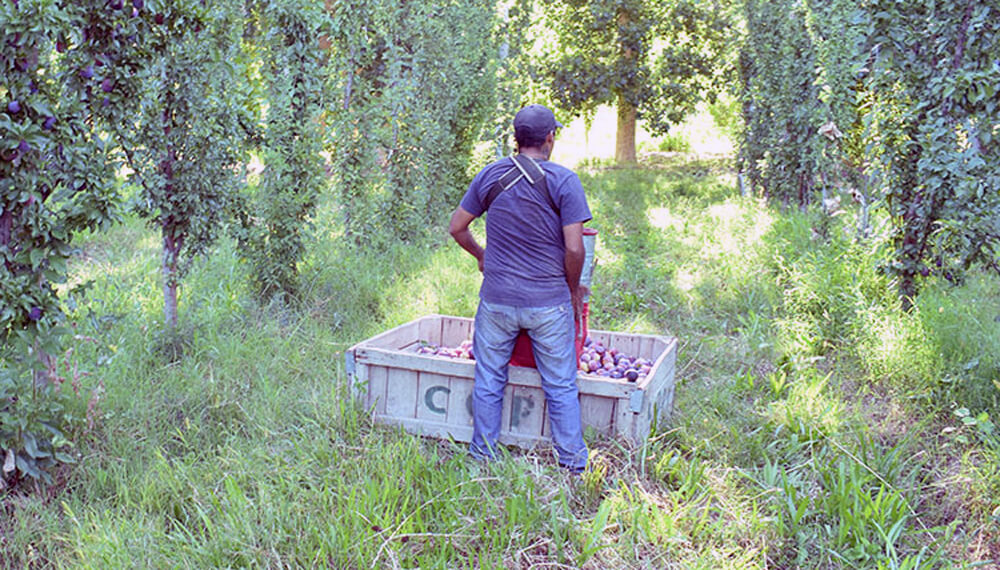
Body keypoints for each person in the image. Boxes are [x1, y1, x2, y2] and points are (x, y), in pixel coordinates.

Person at [448, 104, 590, 473]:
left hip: (496, 300)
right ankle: (573, 468)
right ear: (549, 139)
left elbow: (457, 227)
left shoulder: (490, 176)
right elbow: (575, 248)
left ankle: (482, 460)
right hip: (548, 303)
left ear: (515, 139)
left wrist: (482, 256)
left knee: (489, 378)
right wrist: (572, 290)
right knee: (560, 385)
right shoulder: (564, 181)